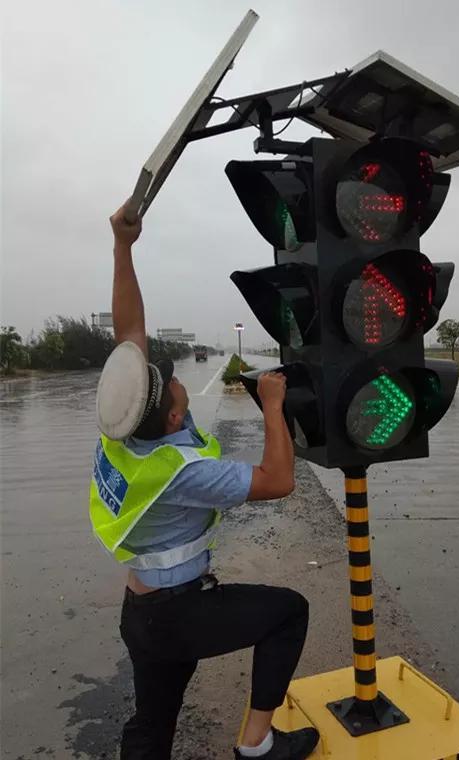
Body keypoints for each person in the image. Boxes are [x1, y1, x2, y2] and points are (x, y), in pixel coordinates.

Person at [89, 201, 320, 760]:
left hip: (141, 612)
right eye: (169, 386)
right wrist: (271, 404)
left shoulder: (121, 426)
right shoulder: (183, 472)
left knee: (153, 725)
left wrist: (123, 246)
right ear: (171, 417)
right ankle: (257, 746)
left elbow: (130, 333)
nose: (169, 381)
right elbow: (278, 479)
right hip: (175, 615)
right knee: (288, 612)